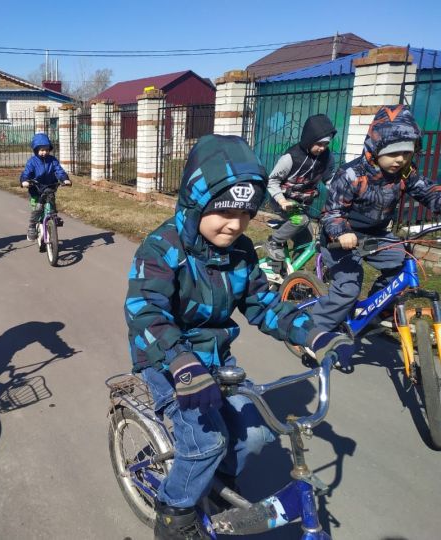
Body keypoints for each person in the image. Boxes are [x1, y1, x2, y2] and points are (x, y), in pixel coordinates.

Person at [124, 135, 354, 539]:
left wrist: (311, 332)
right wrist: (179, 360)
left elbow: (263, 304)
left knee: (257, 433)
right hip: (168, 361)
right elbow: (146, 311)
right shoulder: (161, 249)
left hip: (215, 360)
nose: (235, 223)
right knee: (205, 442)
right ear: (197, 204)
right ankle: (173, 513)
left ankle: (215, 486)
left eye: (247, 213)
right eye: (224, 211)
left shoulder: (242, 252)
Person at [311, 104, 441, 331]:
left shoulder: (405, 173)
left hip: (377, 235)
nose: (400, 159)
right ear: (375, 148)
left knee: (403, 265)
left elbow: (427, 191)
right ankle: (313, 330)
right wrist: (342, 233)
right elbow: (332, 213)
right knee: (348, 289)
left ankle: (375, 308)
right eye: (393, 153)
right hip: (341, 238)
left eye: (406, 152)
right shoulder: (351, 174)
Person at [263, 114, 337, 261]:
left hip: (302, 203)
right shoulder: (291, 157)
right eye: (319, 143)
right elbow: (272, 181)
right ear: (309, 139)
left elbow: (330, 180)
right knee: (300, 220)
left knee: (306, 243)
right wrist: (282, 201)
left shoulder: (327, 158)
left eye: (326, 144)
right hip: (282, 201)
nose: (322, 148)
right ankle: (273, 242)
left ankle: (294, 277)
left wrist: (341, 195)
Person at [20, 133, 71, 241]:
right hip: (36, 188)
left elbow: (59, 170)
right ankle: (32, 227)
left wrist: (64, 179)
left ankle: (53, 218)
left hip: (49, 187)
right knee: (38, 208)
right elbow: (26, 173)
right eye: (42, 150)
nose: (44, 152)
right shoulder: (32, 162)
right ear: (36, 150)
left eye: (47, 150)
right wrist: (25, 181)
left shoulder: (52, 160)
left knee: (51, 204)